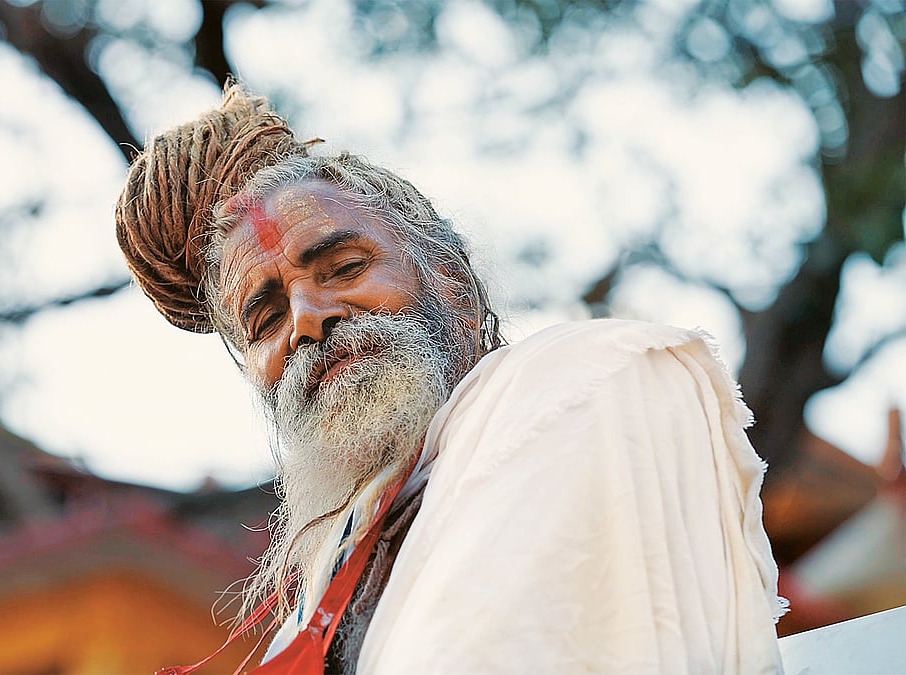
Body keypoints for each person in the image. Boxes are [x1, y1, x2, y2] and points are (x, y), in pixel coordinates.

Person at [115, 84, 787, 674]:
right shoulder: (330, 575)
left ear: (453, 284)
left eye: (344, 266)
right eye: (265, 318)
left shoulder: (582, 382)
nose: (307, 320)